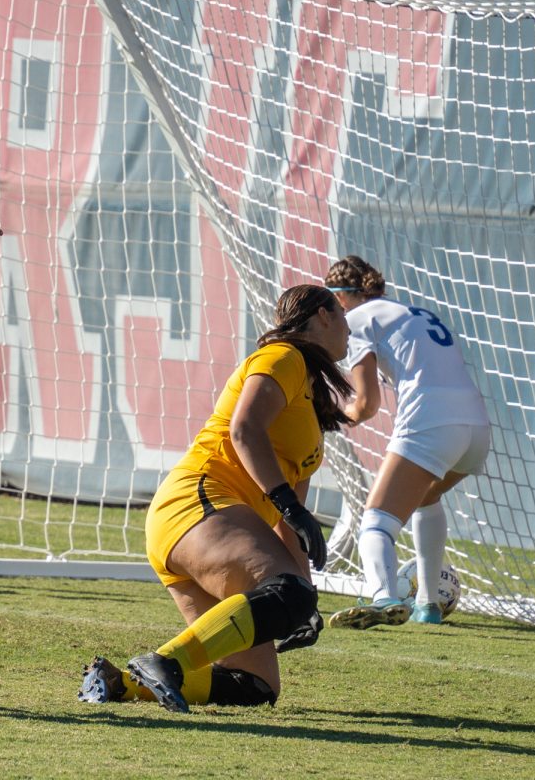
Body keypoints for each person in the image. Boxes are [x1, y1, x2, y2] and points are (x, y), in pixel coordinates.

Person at [79, 285, 352, 713]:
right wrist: (288, 507)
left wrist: (307, 600)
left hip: (199, 525)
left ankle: (118, 686)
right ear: (323, 315)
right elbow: (245, 430)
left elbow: (288, 524)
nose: (350, 332)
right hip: (196, 504)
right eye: (344, 316)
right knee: (286, 594)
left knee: (255, 687)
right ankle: (164, 661)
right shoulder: (283, 356)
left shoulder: (309, 396)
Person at [323, 255, 490, 627]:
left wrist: (328, 417)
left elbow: (366, 405)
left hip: (432, 420)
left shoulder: (355, 321)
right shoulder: (411, 312)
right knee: (427, 497)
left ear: (338, 299)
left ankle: (385, 598)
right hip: (477, 427)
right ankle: (428, 605)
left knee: (376, 522)